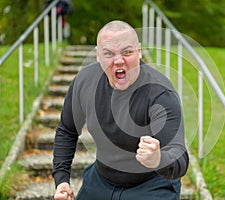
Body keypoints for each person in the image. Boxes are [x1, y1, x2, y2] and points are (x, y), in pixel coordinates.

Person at [53, 20, 189, 200]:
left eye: (127, 52)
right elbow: (67, 130)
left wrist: (158, 159)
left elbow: (180, 158)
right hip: (101, 180)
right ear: (98, 55)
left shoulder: (160, 93)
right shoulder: (85, 81)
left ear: (139, 52)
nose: (118, 60)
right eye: (109, 53)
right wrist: (62, 180)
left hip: (153, 185)